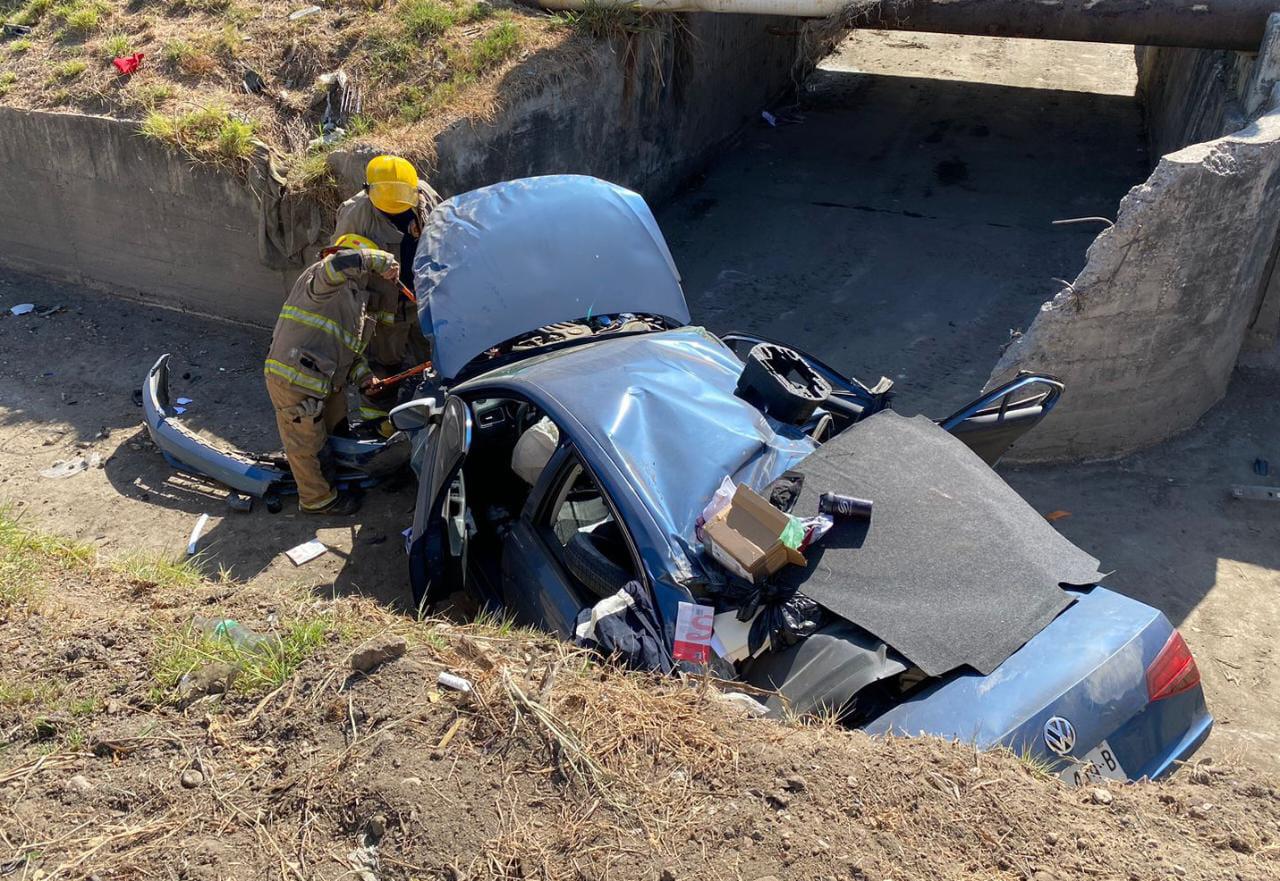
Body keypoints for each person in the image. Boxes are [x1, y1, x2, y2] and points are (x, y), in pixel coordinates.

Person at [264, 234, 398, 515]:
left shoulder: (354, 301)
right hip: (293, 378)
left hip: (323, 379)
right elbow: (335, 266)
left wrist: (364, 379)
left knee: (336, 428)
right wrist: (378, 259)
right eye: (364, 265)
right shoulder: (320, 278)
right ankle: (317, 500)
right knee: (306, 441)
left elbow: (349, 352)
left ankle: (334, 473)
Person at [334, 154, 439, 386]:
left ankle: (432, 402)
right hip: (386, 307)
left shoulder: (425, 197)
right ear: (369, 190)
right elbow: (339, 261)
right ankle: (382, 414)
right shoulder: (356, 214)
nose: (395, 209)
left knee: (433, 359)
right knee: (385, 366)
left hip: (422, 300)